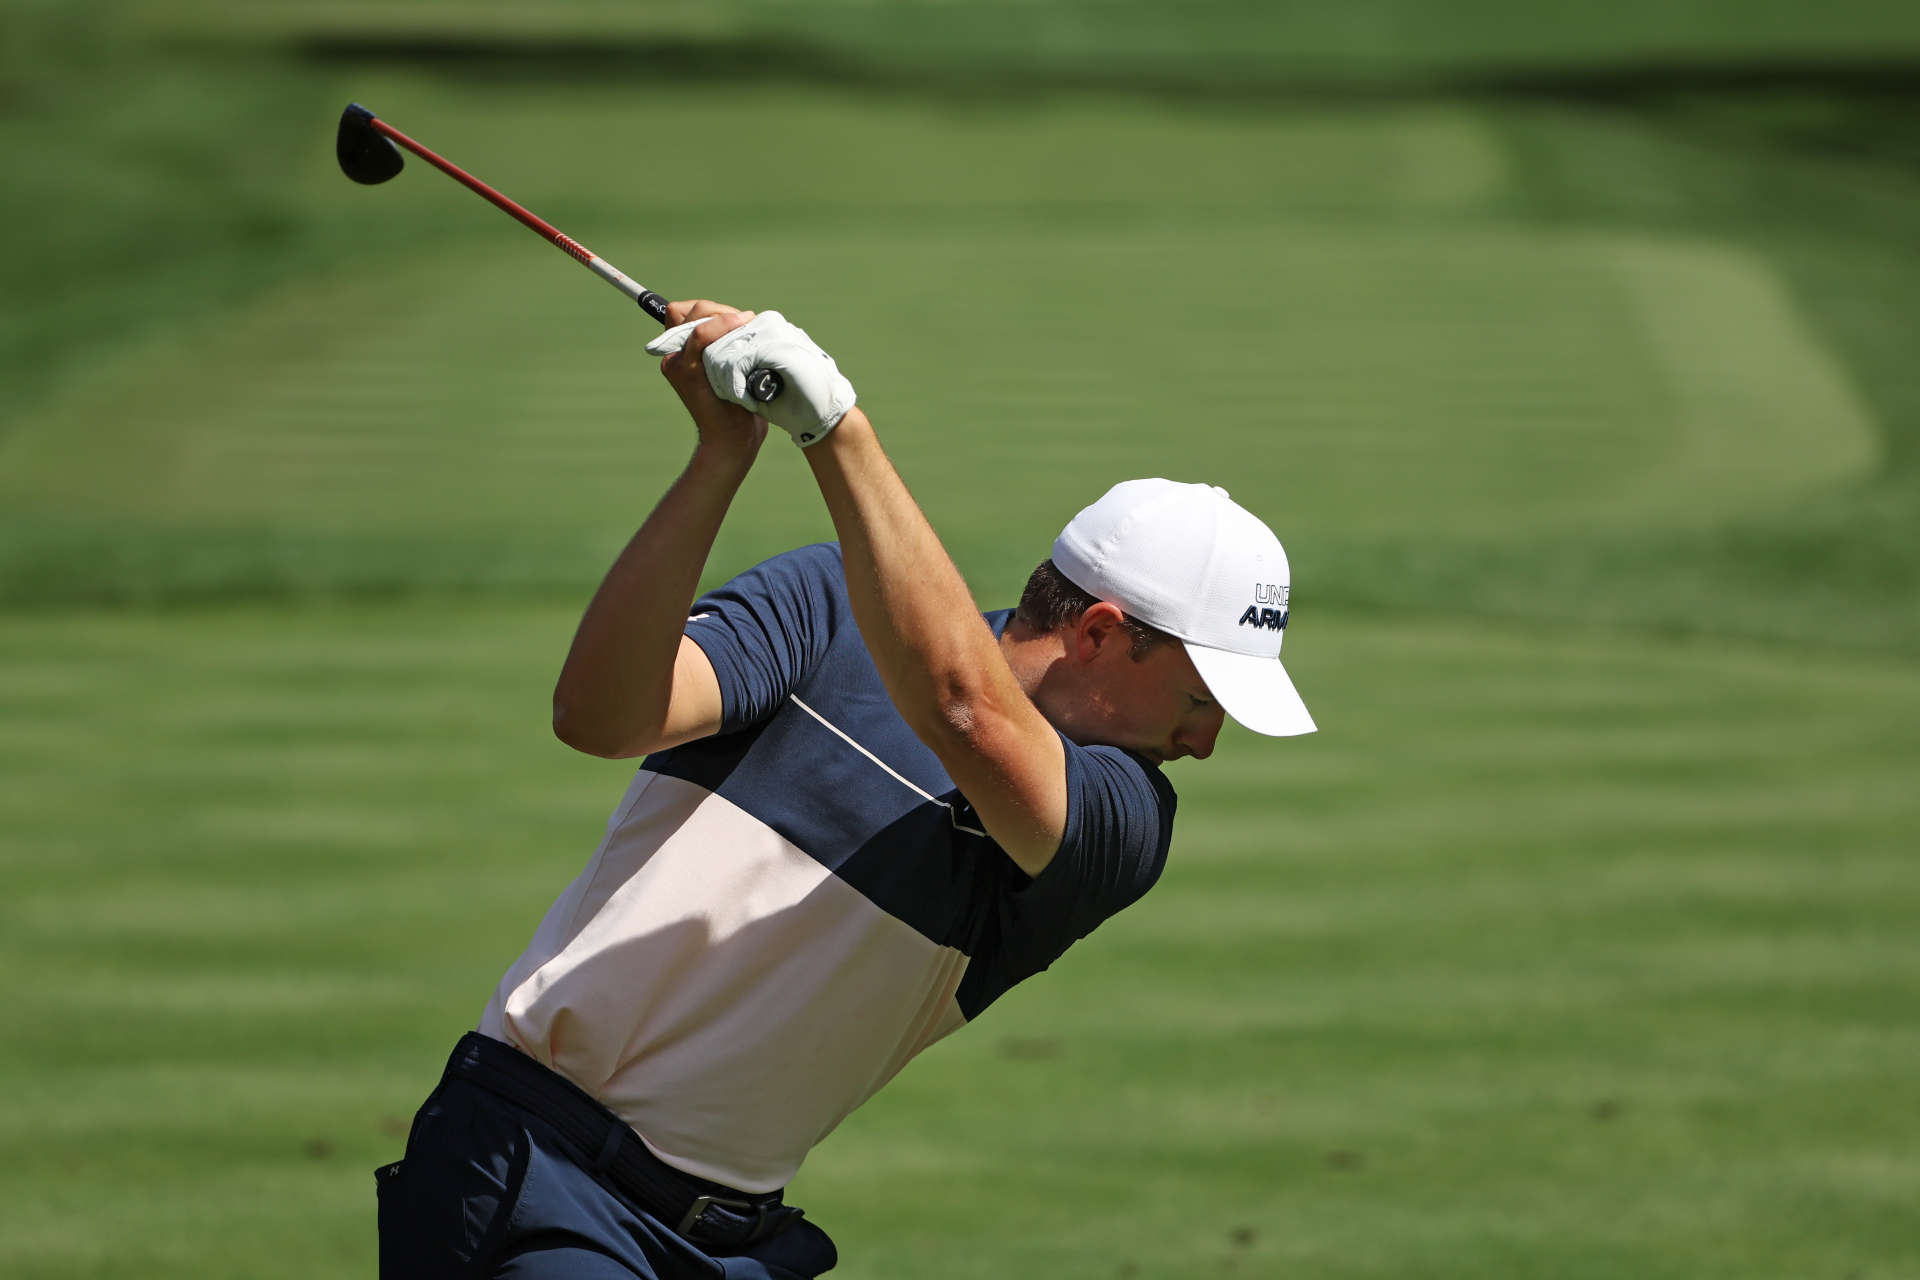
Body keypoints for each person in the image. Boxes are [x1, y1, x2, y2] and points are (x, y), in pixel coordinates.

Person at [375, 301, 1316, 1279]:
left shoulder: (1124, 817)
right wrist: (720, 460)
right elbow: (600, 718)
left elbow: (967, 709)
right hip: (539, 1164)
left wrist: (836, 427)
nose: (1205, 743)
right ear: (1099, 633)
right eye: (1202, 698)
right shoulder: (828, 607)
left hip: (732, 1238)